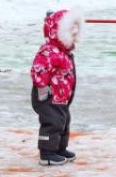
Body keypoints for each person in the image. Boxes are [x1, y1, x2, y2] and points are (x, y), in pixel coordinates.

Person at [30, 9, 82, 166]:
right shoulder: (49, 51)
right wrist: (42, 88)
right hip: (48, 96)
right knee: (52, 122)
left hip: (61, 97)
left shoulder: (63, 52)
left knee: (63, 121)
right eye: (70, 35)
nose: (74, 39)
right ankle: (47, 152)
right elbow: (38, 69)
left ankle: (59, 148)